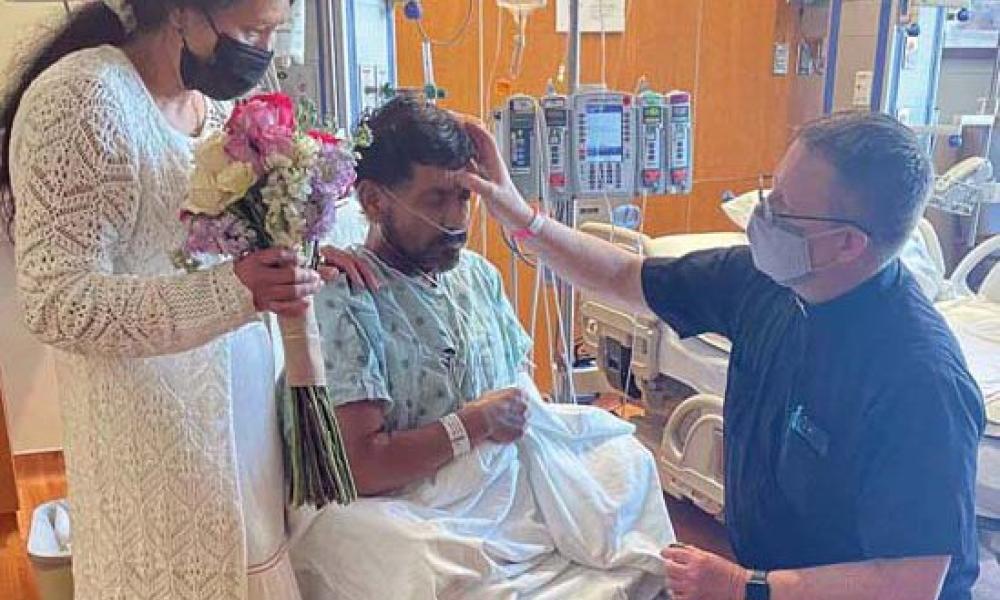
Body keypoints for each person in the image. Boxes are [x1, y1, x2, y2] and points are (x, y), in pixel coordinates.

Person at [458, 111, 986, 600]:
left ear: (847, 244)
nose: (762, 215)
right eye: (769, 192)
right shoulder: (769, 282)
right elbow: (623, 276)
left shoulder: (918, 381)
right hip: (774, 571)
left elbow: (910, 581)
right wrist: (522, 217)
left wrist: (748, 586)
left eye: (782, 208)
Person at [0, 1, 371, 598]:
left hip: (248, 452)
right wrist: (234, 290)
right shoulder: (80, 100)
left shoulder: (217, 112)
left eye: (276, 30)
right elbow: (56, 300)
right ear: (180, 11)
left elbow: (230, 255)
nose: (265, 51)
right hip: (154, 467)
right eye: (251, 30)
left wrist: (300, 256)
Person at [288, 97, 674, 599]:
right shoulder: (347, 296)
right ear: (375, 200)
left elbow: (522, 402)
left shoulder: (476, 276)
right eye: (435, 200)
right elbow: (361, 467)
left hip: (502, 480)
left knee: (626, 458)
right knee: (416, 557)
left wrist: (515, 429)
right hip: (412, 502)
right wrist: (473, 424)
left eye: (465, 198)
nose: (457, 222)